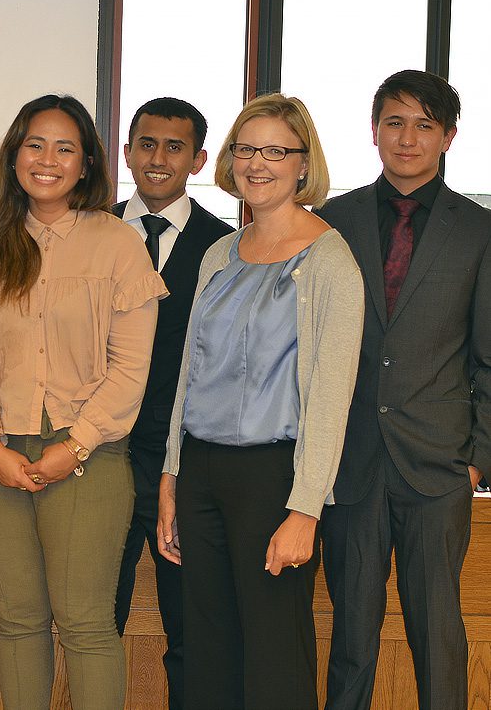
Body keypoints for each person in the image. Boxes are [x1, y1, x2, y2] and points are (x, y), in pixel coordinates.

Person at [0, 94, 167, 709]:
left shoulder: (118, 244)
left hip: (89, 460)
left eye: (65, 147)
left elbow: (131, 368)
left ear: (87, 163)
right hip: (0, 463)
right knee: (16, 623)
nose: (47, 159)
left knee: (86, 625)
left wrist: (76, 445)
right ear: (14, 155)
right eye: (34, 145)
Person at [157, 94, 364, 710]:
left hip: (275, 479)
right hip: (201, 473)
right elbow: (189, 373)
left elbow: (331, 396)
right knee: (208, 648)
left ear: (304, 165)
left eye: (277, 150)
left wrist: (305, 509)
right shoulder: (219, 255)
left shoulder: (331, 261)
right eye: (246, 149)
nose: (258, 163)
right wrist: (171, 474)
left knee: (275, 654)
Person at [318, 70, 491, 710]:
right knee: (352, 637)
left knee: (438, 632)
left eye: (424, 125)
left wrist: (477, 460)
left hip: (440, 467)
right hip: (351, 461)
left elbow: (489, 359)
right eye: (395, 122)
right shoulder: (332, 222)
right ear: (374, 131)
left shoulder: (479, 230)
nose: (407, 138)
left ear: (447, 136)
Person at [110, 96, 232, 710]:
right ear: (126, 151)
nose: (158, 159)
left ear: (200, 159)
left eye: (174, 147)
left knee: (191, 629)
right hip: (96, 457)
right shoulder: (89, 230)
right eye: (147, 144)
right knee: (95, 625)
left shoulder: (228, 247)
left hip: (183, 464)